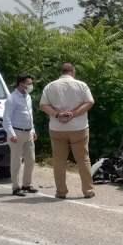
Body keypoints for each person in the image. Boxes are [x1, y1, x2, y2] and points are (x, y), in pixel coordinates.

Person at [39, 63, 95, 199]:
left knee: (59, 161)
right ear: (73, 72)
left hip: (57, 128)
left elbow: (43, 105)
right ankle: (88, 190)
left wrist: (57, 115)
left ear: (62, 72)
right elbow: (90, 102)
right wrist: (74, 114)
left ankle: (61, 192)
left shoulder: (50, 86)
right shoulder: (81, 85)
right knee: (83, 160)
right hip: (79, 128)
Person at [2, 73, 37, 197]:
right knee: (16, 161)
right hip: (16, 133)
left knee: (31, 160)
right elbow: (6, 119)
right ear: (20, 83)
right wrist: (11, 134)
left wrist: (33, 130)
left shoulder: (28, 97)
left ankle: (27, 184)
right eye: (28, 83)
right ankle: (16, 187)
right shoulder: (12, 99)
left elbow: (30, 115)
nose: (30, 86)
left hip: (28, 132)